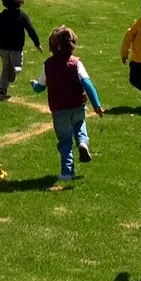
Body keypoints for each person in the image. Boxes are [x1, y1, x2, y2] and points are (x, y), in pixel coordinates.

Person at [31, 26, 104, 183]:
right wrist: (96, 105)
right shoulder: (76, 63)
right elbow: (88, 85)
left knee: (65, 141)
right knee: (80, 125)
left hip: (59, 110)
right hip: (77, 106)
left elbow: (40, 87)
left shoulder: (48, 65)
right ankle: (83, 143)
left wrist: (34, 85)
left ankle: (67, 172)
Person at [0, 0, 43, 97]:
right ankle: (14, 69)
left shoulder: (0, 16)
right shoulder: (22, 16)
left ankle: (2, 89)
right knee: (18, 67)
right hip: (16, 49)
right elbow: (30, 30)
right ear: (19, 2)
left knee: (5, 68)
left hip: (3, 48)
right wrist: (37, 43)